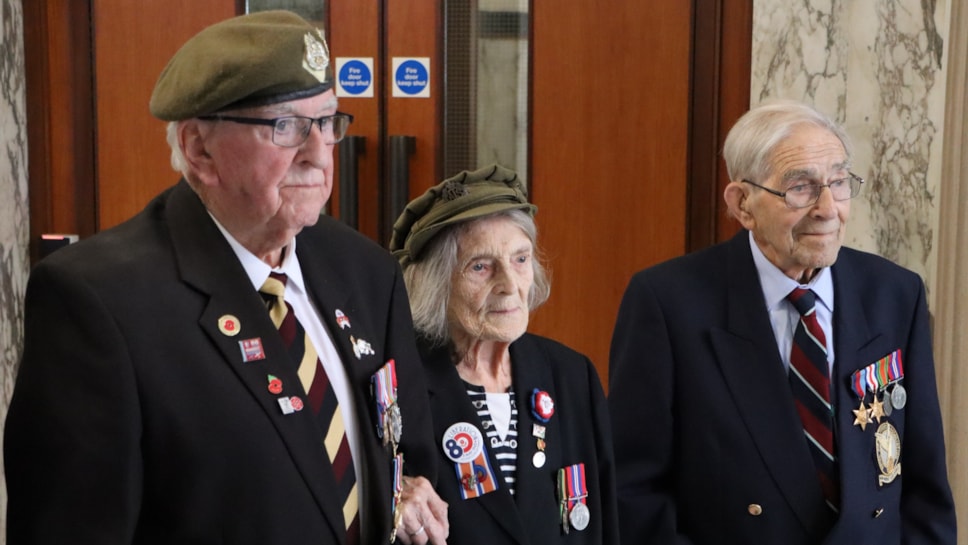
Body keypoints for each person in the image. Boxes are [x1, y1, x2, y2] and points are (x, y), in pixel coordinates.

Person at [5, 10, 448, 545]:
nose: (317, 153)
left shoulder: (365, 270)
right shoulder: (99, 303)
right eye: (286, 126)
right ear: (199, 150)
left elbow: (408, 455)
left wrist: (407, 493)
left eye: (328, 122)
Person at [608, 99, 957, 544]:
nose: (828, 209)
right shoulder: (668, 303)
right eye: (801, 187)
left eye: (838, 182)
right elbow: (633, 492)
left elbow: (924, 488)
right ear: (743, 204)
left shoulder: (894, 294)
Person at [387, 164, 618, 545]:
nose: (510, 286)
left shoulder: (570, 375)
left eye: (521, 259)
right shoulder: (400, 382)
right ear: (436, 284)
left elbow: (604, 526)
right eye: (481, 266)